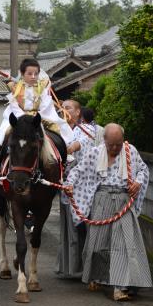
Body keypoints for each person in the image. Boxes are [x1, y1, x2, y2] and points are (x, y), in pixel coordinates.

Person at [65, 123, 152, 301]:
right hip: (102, 200)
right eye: (111, 144)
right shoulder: (95, 153)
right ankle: (97, 277)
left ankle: (121, 287)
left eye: (118, 144)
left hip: (123, 200)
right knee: (98, 243)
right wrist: (69, 184)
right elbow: (77, 171)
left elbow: (143, 169)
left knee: (124, 243)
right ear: (104, 140)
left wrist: (138, 182)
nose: (115, 148)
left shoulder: (130, 151)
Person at [0, 58, 73, 159]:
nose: (33, 77)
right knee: (5, 130)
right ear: (23, 74)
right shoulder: (16, 88)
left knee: (58, 128)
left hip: (40, 117)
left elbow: (46, 106)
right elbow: (14, 106)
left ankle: (64, 153)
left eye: (36, 74)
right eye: (29, 73)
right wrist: (24, 117)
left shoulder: (42, 89)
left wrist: (36, 116)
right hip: (19, 117)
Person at [56, 100, 89, 278]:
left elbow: (77, 145)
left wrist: (65, 149)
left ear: (78, 112)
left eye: (68, 108)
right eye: (62, 108)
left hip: (84, 188)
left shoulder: (85, 130)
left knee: (82, 228)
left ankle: (87, 268)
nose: (64, 111)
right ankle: (71, 267)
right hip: (66, 186)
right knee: (69, 229)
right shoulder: (60, 130)